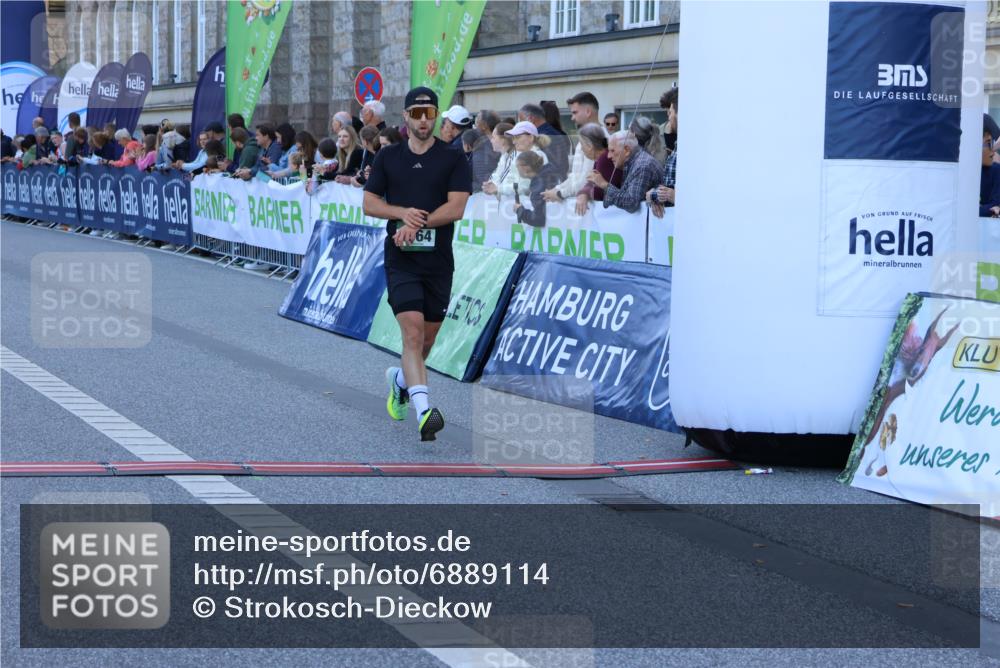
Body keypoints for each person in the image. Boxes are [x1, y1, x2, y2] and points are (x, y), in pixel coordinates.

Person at [363, 86, 473, 442]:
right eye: (417, 114)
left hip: (438, 260)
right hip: (401, 258)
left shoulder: (453, 158)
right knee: (411, 333)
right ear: (406, 117)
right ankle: (425, 413)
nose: (424, 121)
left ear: (436, 117)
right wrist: (402, 214)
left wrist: (417, 224)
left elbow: (456, 207)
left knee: (426, 341)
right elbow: (370, 203)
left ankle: (400, 381)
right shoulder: (388, 156)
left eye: (430, 114)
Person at [544, 91, 603, 203]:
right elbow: (575, 177)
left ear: (588, 112)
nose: (572, 118)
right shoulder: (585, 138)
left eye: (575, 113)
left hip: (589, 206)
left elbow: (586, 179)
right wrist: (556, 190)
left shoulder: (599, 138)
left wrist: (559, 193)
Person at [591, 131, 663, 213]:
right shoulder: (632, 162)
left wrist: (604, 184)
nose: (608, 156)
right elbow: (619, 197)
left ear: (627, 150)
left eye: (612, 151)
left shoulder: (642, 165)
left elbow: (631, 204)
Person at [574, 123, 621, 215]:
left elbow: (599, 193)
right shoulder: (601, 157)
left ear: (590, 146)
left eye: (582, 145)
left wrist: (584, 193)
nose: (582, 149)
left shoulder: (604, 158)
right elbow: (591, 182)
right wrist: (584, 192)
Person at [648, 87, 678, 217]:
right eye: (667, 110)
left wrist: (655, 195)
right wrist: (654, 196)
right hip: (667, 212)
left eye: (670, 110)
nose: (668, 115)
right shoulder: (657, 136)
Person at [519, 102, 569, 179]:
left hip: (548, 181)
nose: (520, 126)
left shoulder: (539, 137)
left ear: (530, 119)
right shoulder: (554, 132)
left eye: (521, 121)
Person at [482, 122, 530, 200]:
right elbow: (496, 178)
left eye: (493, 137)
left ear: (503, 140)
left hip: (519, 204)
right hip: (506, 204)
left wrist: (497, 189)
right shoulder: (505, 156)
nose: (491, 141)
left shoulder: (520, 158)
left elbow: (524, 187)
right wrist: (490, 185)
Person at [512, 151, 561, 227]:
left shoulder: (538, 187)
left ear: (525, 168)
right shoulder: (550, 173)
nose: (517, 169)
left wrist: (520, 211)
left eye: (517, 166)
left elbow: (538, 219)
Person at [981, 125, 1000, 217]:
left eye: (992, 144)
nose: (993, 152)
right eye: (988, 144)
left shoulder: (996, 171)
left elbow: (995, 206)